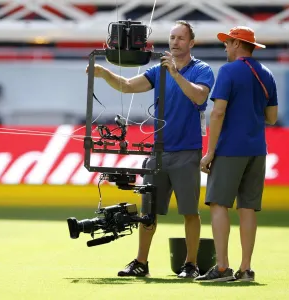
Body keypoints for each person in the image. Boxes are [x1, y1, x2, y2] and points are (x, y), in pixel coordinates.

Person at [86, 20, 215, 278]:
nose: (175, 42)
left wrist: (176, 74)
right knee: (148, 212)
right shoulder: (159, 70)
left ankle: (191, 264)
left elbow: (199, 97)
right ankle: (141, 263)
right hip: (157, 151)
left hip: (187, 151)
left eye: (180, 38)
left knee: (190, 211)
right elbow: (127, 85)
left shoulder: (202, 70)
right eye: (172, 37)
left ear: (191, 43)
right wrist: (103, 73)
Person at [194, 26, 278, 282]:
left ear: (237, 44)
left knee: (219, 204)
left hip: (230, 149)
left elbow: (217, 113)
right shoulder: (267, 74)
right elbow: (272, 118)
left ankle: (221, 267)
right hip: (257, 149)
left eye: (227, 43)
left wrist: (209, 153)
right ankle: (246, 269)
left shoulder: (228, 71)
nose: (225, 47)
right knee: (248, 208)